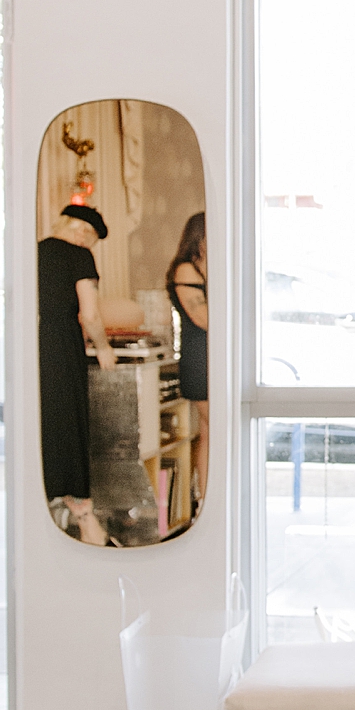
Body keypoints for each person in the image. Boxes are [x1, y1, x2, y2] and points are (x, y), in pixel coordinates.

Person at [37, 203, 117, 545]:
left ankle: (50, 511)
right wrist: (103, 348)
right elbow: (90, 315)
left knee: (42, 424)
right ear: (84, 233)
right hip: (62, 347)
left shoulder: (34, 251)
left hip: (31, 345)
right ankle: (87, 522)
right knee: (70, 424)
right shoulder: (79, 256)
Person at [166, 211, 209, 509]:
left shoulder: (204, 268)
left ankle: (207, 499)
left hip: (211, 358)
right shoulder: (186, 270)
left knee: (209, 432)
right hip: (200, 360)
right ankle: (206, 499)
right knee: (217, 430)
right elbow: (204, 318)